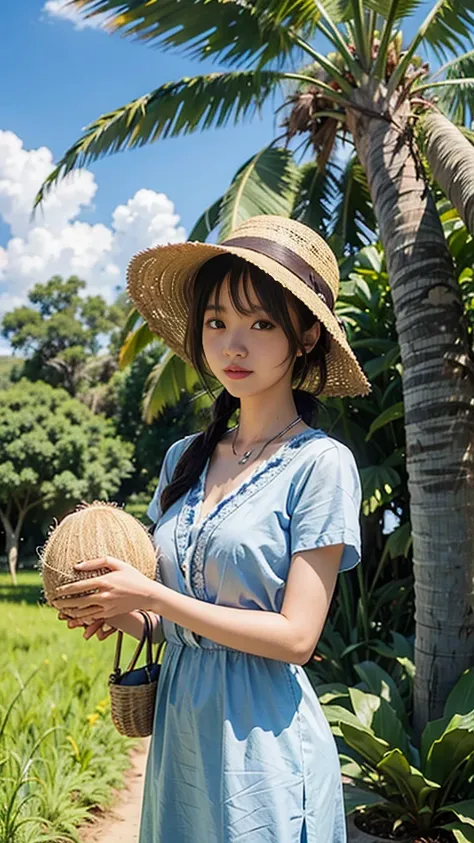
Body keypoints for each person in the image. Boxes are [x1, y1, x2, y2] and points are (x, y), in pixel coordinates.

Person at [54, 215, 370, 842]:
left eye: (261, 323)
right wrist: (119, 609)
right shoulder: (183, 458)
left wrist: (152, 597)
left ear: (305, 336)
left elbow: (296, 637)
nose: (234, 345)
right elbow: (175, 619)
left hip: (265, 747)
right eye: (217, 323)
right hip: (183, 740)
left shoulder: (320, 464)